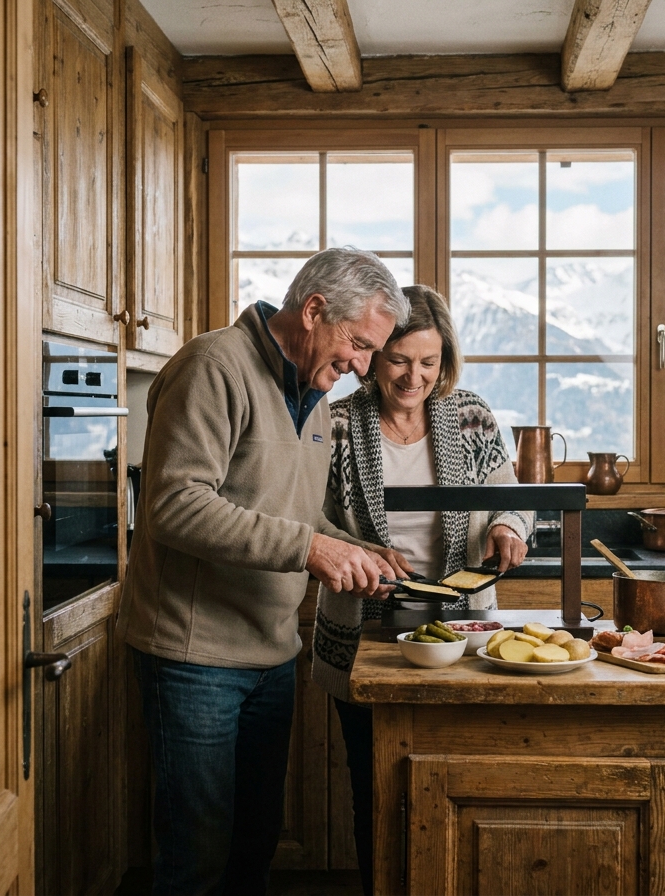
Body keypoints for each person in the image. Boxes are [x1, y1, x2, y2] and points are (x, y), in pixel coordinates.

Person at [117, 248, 410, 896]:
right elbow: (174, 505)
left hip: (272, 655)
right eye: (360, 344)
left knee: (254, 847)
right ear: (313, 311)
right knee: (195, 858)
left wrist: (357, 548)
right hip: (194, 658)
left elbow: (295, 516)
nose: (364, 367)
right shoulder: (213, 366)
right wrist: (313, 550)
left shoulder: (316, 396)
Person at [310, 285, 533, 894]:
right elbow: (308, 518)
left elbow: (509, 498)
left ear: (445, 361)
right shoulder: (334, 422)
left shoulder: (472, 416)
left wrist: (511, 528)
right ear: (374, 356)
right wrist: (356, 555)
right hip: (365, 633)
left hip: (463, 633)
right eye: (400, 360)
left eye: (428, 362)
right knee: (375, 785)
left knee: (461, 779)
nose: (414, 376)